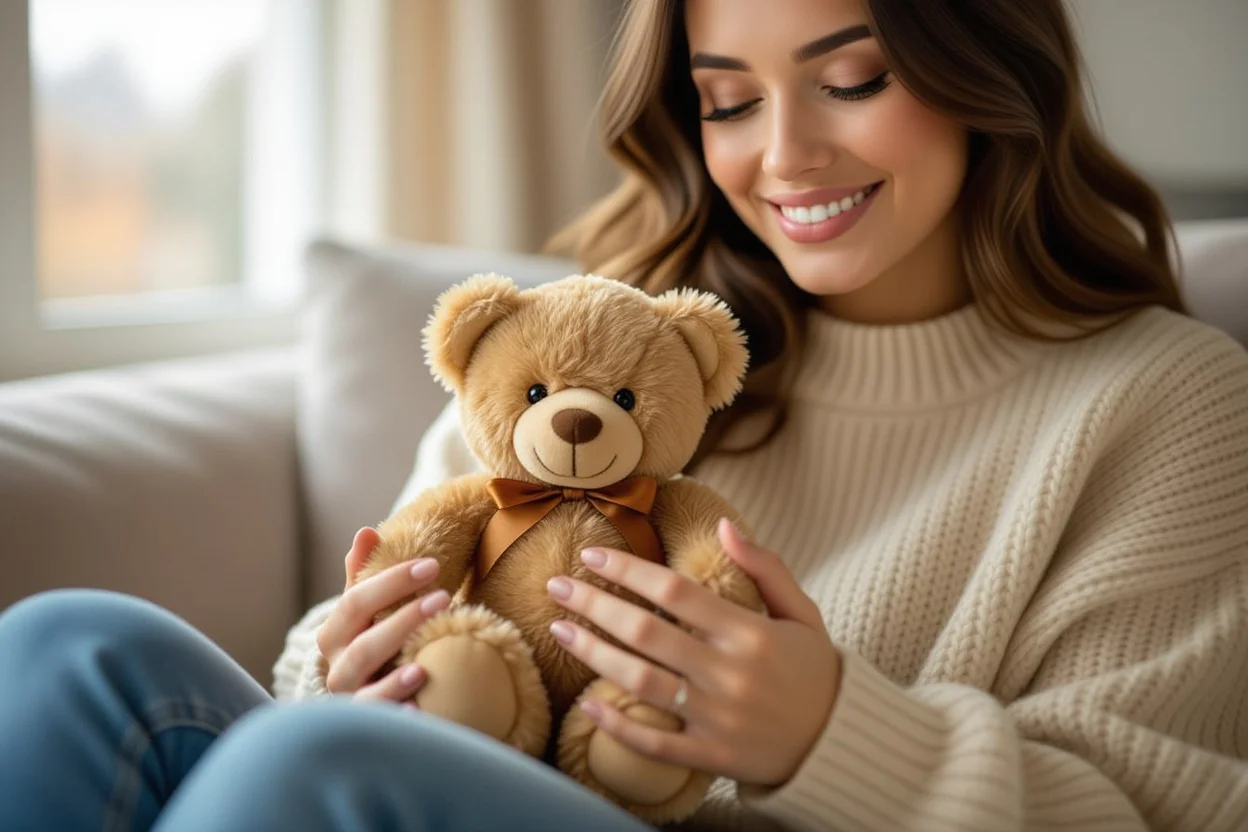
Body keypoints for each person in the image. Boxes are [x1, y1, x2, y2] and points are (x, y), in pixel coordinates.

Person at [3, 0, 1246, 829]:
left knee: (299, 770)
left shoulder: (1163, 401)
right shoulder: (606, 354)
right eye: (729, 101)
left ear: (989, 69)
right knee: (68, 651)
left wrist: (834, 732)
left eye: (853, 80)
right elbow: (375, 631)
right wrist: (341, 664)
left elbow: (1160, 807)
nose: (787, 154)